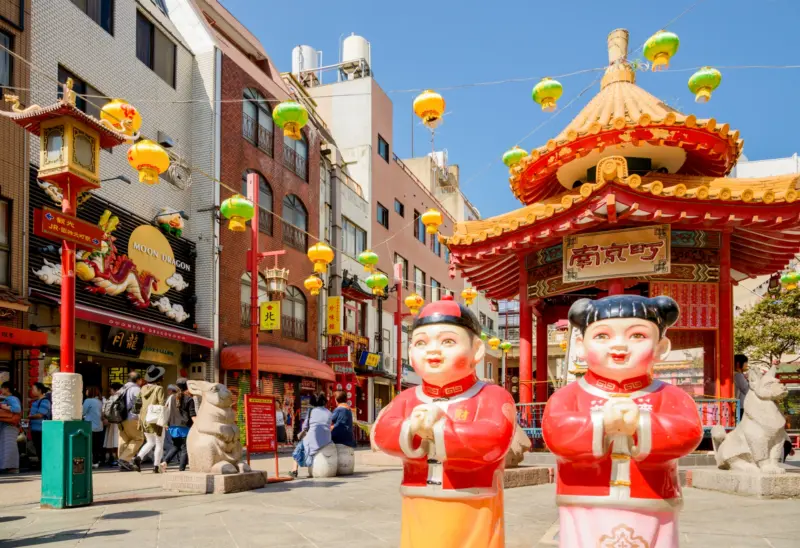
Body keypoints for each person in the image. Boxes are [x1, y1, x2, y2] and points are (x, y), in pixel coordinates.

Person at [543, 295, 704, 548]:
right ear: (581, 347)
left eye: (637, 336)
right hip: (584, 499)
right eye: (602, 336)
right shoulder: (567, 396)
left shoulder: (671, 395)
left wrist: (641, 424)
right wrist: (600, 424)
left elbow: (688, 431)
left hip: (653, 498)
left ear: (661, 347)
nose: (619, 346)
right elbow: (556, 432)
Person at [373, 296, 516, 548]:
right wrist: (412, 427)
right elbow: (383, 432)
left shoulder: (492, 396)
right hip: (418, 498)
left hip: (474, 500)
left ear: (477, 350)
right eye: (421, 342)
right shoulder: (407, 398)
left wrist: (439, 428)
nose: (433, 350)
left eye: (448, 341)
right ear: (410, 353)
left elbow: (494, 439)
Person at [133, 365, 167, 473]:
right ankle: (156, 466)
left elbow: (138, 403)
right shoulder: (159, 389)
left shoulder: (142, 388)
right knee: (159, 443)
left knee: (150, 441)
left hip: (144, 418)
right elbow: (161, 404)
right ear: (159, 377)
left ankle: (138, 458)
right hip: (156, 418)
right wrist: (164, 421)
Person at [290, 393, 332, 478]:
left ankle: (294, 470)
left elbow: (305, 427)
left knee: (298, 448)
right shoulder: (329, 412)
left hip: (314, 439)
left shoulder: (311, 411)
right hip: (327, 440)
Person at [162, 379, 195, 472]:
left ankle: (165, 462)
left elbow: (167, 411)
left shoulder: (171, 397)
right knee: (185, 448)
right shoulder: (189, 399)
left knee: (176, 446)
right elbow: (192, 415)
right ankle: (181, 469)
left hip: (172, 426)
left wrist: (166, 423)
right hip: (185, 427)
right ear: (187, 387)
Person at [118, 371, 144, 470]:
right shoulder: (136, 389)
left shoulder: (122, 388)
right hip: (131, 418)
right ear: (138, 380)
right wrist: (137, 416)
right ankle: (124, 459)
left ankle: (122, 463)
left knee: (124, 439)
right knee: (138, 438)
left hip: (120, 418)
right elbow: (139, 403)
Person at [0, 381, 21, 474]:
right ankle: (9, 467)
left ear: (7, 389)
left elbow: (17, 409)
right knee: (6, 446)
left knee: (9, 446)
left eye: (2, 388)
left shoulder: (11, 398)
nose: (1, 390)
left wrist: (3, 407)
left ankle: (12, 467)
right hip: (7, 425)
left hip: (10, 426)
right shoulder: (9, 398)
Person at [28, 382, 51, 469]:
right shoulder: (36, 401)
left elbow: (41, 414)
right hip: (35, 429)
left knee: (41, 447)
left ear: (40, 390)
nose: (32, 391)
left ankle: (44, 465)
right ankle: (41, 463)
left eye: (33, 389)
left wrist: (29, 417)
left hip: (41, 429)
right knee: (37, 447)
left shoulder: (45, 401)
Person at [82, 386, 104, 468]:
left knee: (90, 445)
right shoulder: (99, 401)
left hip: (90, 426)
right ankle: (96, 461)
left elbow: (82, 412)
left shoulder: (88, 401)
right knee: (96, 445)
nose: (86, 391)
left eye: (87, 390)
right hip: (99, 425)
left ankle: (91, 461)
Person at [103, 382, 122, 466]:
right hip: (119, 422)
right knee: (118, 441)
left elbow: (104, 410)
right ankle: (119, 459)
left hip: (111, 422)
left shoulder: (111, 398)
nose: (110, 392)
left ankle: (113, 458)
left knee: (112, 441)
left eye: (110, 390)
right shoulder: (121, 397)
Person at [734, 354, 750, 422]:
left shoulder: (737, 374)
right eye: (745, 362)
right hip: (741, 405)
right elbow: (746, 389)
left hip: (740, 405)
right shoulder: (738, 375)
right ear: (738, 363)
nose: (747, 364)